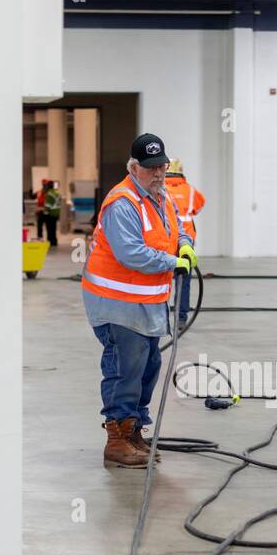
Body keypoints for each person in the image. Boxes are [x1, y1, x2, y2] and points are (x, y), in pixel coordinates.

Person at [81, 133, 197, 468]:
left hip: (147, 302)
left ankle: (133, 431)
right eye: (150, 168)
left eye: (161, 165)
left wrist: (185, 245)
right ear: (133, 167)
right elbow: (130, 253)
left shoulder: (161, 197)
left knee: (148, 366)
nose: (158, 173)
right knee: (125, 369)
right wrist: (172, 262)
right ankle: (116, 440)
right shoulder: (123, 202)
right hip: (116, 302)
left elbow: (177, 230)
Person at [164, 159, 206, 326]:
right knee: (184, 279)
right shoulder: (190, 190)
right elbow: (199, 206)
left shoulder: (160, 189)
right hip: (186, 241)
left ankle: (159, 315)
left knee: (161, 276)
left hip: (166, 239)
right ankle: (181, 317)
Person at [38, 180, 61, 246]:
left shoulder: (49, 194)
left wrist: (45, 213)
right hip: (56, 213)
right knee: (54, 228)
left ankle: (50, 241)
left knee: (49, 228)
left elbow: (48, 205)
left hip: (50, 214)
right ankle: (54, 241)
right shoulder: (56, 193)